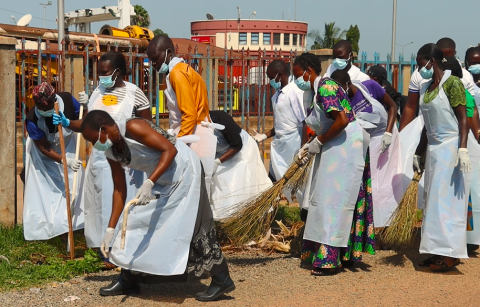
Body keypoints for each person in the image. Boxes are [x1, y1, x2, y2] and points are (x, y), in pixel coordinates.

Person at [80, 110, 235, 301]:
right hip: (161, 178)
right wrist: (110, 229)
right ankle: (129, 279)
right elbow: (119, 190)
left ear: (103, 130)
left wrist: (149, 183)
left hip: (186, 171)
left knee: (193, 224)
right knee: (135, 221)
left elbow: (170, 149)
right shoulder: (110, 150)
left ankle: (222, 279)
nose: (94, 145)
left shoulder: (132, 127)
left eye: (93, 139)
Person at [292, 53, 372, 275]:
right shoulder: (316, 91)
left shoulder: (326, 88)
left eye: (297, 74)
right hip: (335, 144)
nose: (295, 79)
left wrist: (319, 141)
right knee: (327, 198)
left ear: (308, 70)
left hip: (346, 147)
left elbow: (342, 120)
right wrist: (312, 143)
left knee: (334, 200)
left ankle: (330, 258)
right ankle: (338, 253)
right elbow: (326, 122)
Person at [79, 51, 151, 267]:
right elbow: (89, 124)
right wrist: (83, 108)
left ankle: (123, 249)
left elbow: (147, 127)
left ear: (117, 72)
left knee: (125, 201)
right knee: (101, 204)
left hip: (126, 159)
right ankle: (104, 248)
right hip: (100, 159)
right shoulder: (97, 92)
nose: (101, 77)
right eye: (99, 73)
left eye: (105, 73)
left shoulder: (135, 94)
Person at [413, 43, 471, 271]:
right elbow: (427, 126)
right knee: (432, 203)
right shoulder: (427, 88)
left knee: (448, 204)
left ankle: (450, 255)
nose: (419, 69)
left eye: (421, 64)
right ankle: (435, 250)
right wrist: (420, 151)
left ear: (432, 62)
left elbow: (463, 118)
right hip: (434, 149)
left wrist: (463, 148)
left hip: (450, 148)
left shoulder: (452, 83)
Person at [330, 69, 401, 229]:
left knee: (387, 185)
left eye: (341, 90)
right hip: (366, 143)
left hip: (386, 139)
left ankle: (389, 225)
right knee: (372, 187)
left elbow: (392, 106)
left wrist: (389, 132)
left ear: (348, 84)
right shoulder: (342, 103)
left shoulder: (369, 87)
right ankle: (373, 227)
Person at [147, 35, 217, 193]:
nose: (154, 64)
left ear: (168, 52)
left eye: (156, 58)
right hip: (196, 134)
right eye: (151, 60)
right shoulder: (181, 70)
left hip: (193, 137)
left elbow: (189, 114)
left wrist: (179, 145)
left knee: (192, 193)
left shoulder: (177, 74)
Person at [23, 82, 85, 240]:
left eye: (47, 105)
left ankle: (74, 225)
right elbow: (44, 148)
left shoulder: (68, 101)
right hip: (44, 155)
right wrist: (65, 161)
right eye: (39, 106)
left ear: (54, 99)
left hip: (68, 144)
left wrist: (87, 105)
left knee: (74, 186)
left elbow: (84, 121)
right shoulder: (32, 119)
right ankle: (57, 227)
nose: (43, 109)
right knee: (49, 190)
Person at [400, 37, 475, 130]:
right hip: (425, 130)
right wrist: (401, 136)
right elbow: (410, 106)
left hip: (452, 133)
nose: (444, 59)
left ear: (454, 53)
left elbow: (470, 109)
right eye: (441, 55)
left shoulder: (463, 76)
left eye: (448, 55)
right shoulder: (419, 74)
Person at [208, 110, 272, 220]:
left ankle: (243, 217)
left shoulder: (219, 117)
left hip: (243, 152)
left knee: (239, 185)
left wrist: (218, 162)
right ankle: (223, 219)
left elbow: (237, 145)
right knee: (220, 184)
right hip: (221, 154)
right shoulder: (192, 125)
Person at [254, 60, 307, 184]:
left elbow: (305, 122)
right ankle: (273, 202)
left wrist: (303, 148)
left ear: (280, 74)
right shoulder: (276, 96)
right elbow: (280, 125)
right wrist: (263, 136)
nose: (270, 81)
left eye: (271, 78)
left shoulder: (295, 92)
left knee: (292, 181)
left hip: (293, 144)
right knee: (273, 178)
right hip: (279, 144)